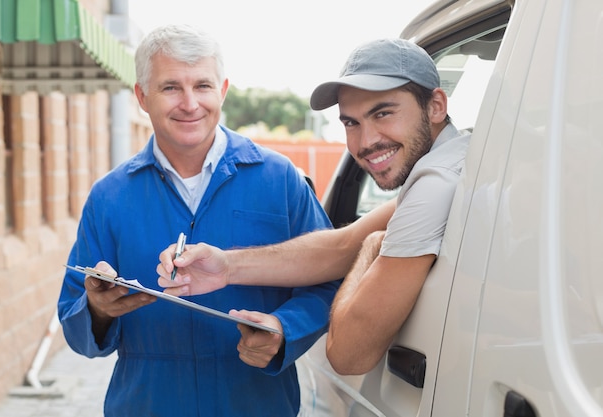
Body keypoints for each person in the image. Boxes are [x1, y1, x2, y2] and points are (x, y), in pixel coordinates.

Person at [57, 24, 340, 417]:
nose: (190, 103)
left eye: (202, 86)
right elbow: (74, 316)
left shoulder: (280, 180)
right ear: (142, 96)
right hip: (147, 404)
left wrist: (285, 328)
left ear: (222, 90)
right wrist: (99, 310)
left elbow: (330, 279)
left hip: (255, 403)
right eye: (171, 87)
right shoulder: (109, 197)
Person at [157, 38, 471, 376]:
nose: (365, 142)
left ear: (436, 105)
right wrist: (227, 266)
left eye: (383, 113)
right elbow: (341, 245)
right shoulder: (457, 159)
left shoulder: (435, 184)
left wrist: (372, 247)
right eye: (351, 122)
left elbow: (347, 356)